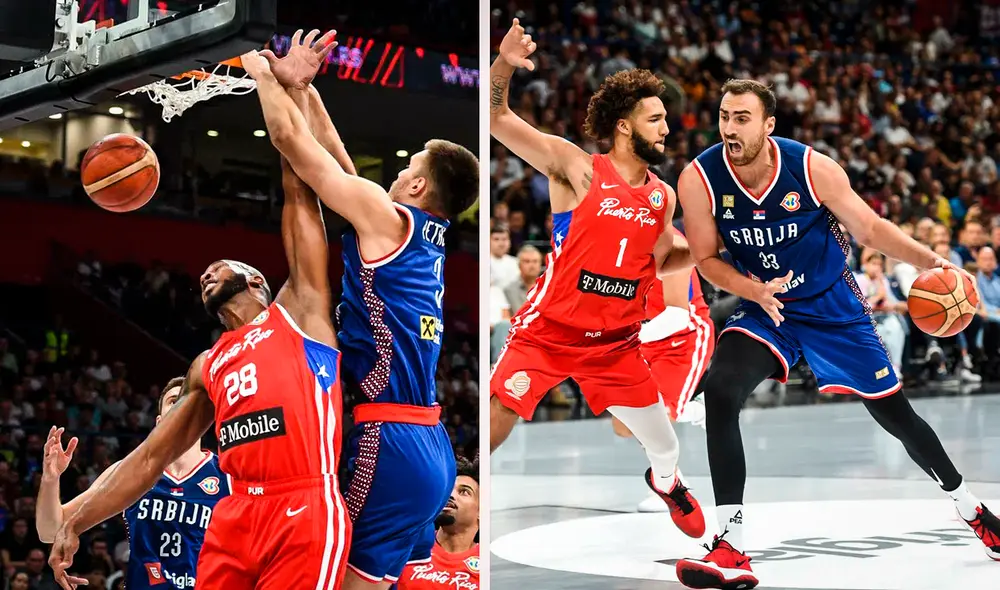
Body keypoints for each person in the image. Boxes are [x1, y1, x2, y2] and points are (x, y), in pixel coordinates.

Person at [47, 34, 351, 590]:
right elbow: (147, 460)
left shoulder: (300, 309)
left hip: (302, 504)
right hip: (235, 516)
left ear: (257, 281)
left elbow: (300, 191)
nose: (207, 273)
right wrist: (76, 521)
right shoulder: (208, 364)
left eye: (221, 266)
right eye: (204, 272)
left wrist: (292, 90)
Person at [672, 78, 1000, 590]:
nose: (730, 128)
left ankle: (970, 507)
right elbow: (706, 258)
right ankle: (730, 545)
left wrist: (931, 261)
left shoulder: (811, 168)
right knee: (721, 391)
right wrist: (753, 290)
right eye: (724, 117)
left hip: (832, 305)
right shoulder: (699, 178)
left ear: (768, 125)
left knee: (896, 416)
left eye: (742, 118)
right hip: (767, 304)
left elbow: (870, 229)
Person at [248, 31, 479, 589]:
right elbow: (341, 165)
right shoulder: (423, 235)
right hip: (433, 449)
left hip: (387, 438)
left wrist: (262, 73)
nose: (393, 174)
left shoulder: (388, 218)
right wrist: (306, 91)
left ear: (416, 184)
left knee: (325, 575)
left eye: (405, 167)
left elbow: (289, 141)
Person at [488, 18, 704, 538]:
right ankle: (451, 491)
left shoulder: (662, 196)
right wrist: (504, 65)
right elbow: (495, 116)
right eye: (655, 119)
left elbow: (660, 260)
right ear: (625, 126)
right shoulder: (576, 167)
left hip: (614, 345)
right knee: (498, 414)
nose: (667, 129)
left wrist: (709, 249)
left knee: (665, 446)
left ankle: (667, 483)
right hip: (549, 332)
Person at [37, 378, 229, 589]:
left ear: (202, 416)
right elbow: (50, 532)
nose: (182, 406)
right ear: (159, 421)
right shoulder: (130, 472)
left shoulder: (228, 475)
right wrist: (50, 479)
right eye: (174, 401)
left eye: (188, 400)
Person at [611, 230, 714, 513]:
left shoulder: (673, 243)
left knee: (656, 418)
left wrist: (627, 338)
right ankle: (696, 409)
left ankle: (670, 485)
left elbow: (677, 315)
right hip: (643, 336)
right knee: (624, 426)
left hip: (682, 336)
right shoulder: (615, 239)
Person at [395, 456, 479, 590]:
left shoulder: (488, 564)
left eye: (464, 492)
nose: (450, 495)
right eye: (448, 489)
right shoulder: (409, 542)